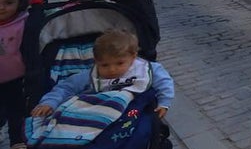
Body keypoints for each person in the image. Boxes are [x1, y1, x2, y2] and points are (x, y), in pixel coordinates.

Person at [30, 29, 174, 120]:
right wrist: (49, 102)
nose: (112, 70)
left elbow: (164, 83)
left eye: (119, 63)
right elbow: (65, 87)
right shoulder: (91, 76)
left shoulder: (147, 69)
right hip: (99, 113)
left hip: (134, 112)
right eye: (104, 65)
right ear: (96, 61)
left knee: (140, 116)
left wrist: (164, 103)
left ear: (133, 56)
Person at [0, 0, 30, 149]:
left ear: (20, 3)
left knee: (16, 109)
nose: (2, 8)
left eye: (8, 3)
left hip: (16, 77)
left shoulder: (24, 22)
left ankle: (17, 142)